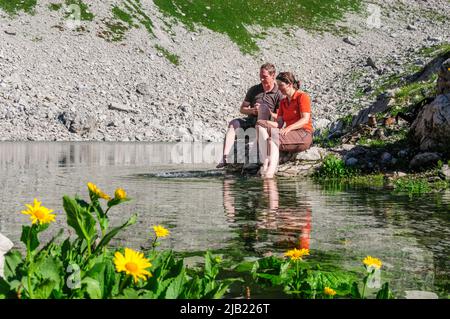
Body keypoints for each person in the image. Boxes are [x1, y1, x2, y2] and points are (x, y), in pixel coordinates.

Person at [216, 63, 284, 168]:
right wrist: (252, 110)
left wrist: (265, 110)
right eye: (260, 76)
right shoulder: (254, 90)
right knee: (233, 123)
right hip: (251, 122)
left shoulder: (278, 93)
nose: (261, 79)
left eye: (264, 77)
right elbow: (242, 109)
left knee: (262, 118)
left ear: (273, 75)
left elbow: (279, 116)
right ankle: (225, 158)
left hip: (266, 125)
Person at [256, 72, 314, 178]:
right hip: (290, 133)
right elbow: (279, 123)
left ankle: (269, 173)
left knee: (273, 139)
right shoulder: (283, 102)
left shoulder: (302, 97)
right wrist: (266, 123)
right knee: (260, 125)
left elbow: (305, 119)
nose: (279, 89)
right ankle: (266, 161)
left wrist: (289, 127)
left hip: (304, 133)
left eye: (281, 85)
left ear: (290, 84)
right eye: (278, 86)